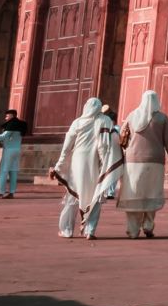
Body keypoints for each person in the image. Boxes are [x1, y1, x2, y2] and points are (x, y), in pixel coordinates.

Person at [51, 97, 118, 240]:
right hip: (95, 162)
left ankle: (67, 230)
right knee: (95, 196)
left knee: (73, 196)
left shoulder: (77, 122)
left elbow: (67, 146)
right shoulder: (105, 121)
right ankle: (90, 230)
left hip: (78, 162)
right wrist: (105, 163)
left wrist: (59, 165)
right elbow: (105, 145)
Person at [116, 90, 168, 239]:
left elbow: (121, 136)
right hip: (155, 161)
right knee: (151, 193)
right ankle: (148, 226)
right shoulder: (162, 118)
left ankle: (133, 230)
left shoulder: (132, 116)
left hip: (133, 161)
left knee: (133, 194)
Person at [0, 110, 28, 198]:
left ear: (12, 115)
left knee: (3, 171)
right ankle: (11, 192)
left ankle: (1, 192)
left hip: (8, 150)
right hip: (17, 150)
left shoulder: (11, 124)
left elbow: (3, 136)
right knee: (13, 171)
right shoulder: (21, 124)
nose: (6, 118)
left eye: (7, 116)